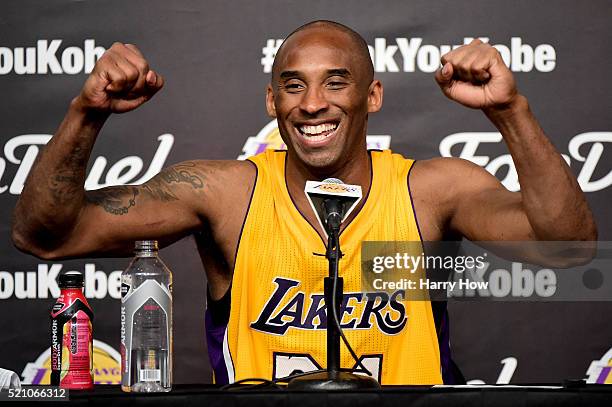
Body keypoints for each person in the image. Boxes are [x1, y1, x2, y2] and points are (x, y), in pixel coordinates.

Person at [12, 21, 596, 385]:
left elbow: (569, 252)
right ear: (272, 100)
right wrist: (86, 113)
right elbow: (46, 235)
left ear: (373, 95)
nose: (312, 103)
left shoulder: (430, 190)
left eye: (336, 82)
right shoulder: (227, 193)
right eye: (294, 85)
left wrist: (509, 111)